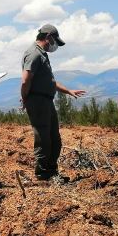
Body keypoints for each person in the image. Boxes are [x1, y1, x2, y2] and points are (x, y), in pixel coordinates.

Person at [20, 24, 86, 182]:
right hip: (38, 100)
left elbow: (50, 81)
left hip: (45, 100)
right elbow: (25, 80)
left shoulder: (42, 54)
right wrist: (25, 98)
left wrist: (68, 91)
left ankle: (51, 171)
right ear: (48, 37)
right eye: (55, 41)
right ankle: (43, 174)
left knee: (54, 138)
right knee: (43, 138)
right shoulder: (34, 53)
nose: (55, 45)